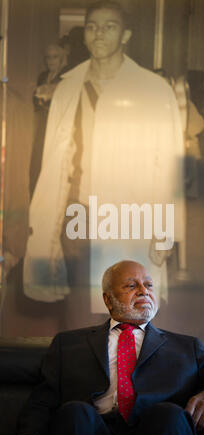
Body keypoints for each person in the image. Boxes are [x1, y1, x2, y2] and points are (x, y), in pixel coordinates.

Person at [23, 1, 186, 329]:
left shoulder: (153, 90)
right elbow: (54, 159)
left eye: (109, 26)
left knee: (129, 308)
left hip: (129, 214)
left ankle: (125, 377)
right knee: (78, 307)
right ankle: (87, 376)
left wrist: (166, 232)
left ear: (125, 34)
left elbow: (168, 166)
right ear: (84, 33)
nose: (99, 34)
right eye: (93, 26)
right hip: (76, 212)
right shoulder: (68, 87)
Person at [14, 260, 204, 435]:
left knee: (169, 415)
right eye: (131, 285)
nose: (144, 290)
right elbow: (42, 401)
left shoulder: (185, 346)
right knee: (75, 413)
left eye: (149, 285)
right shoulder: (68, 344)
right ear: (108, 299)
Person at [29, 44, 68, 198]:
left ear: (62, 59)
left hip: (58, 125)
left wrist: (51, 93)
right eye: (48, 57)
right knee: (38, 163)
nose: (51, 60)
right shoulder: (42, 76)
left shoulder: (66, 76)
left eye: (55, 57)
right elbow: (36, 100)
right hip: (42, 123)